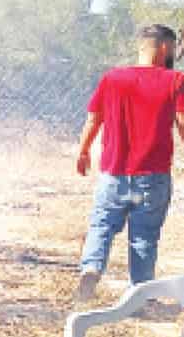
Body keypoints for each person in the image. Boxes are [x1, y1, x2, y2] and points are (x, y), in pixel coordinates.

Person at [74, 23, 184, 301]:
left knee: (101, 226)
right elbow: (183, 122)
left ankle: (91, 268)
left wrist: (83, 150)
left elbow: (93, 118)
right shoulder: (175, 80)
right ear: (163, 47)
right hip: (152, 176)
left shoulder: (112, 78)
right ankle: (139, 295)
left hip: (113, 174)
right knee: (144, 238)